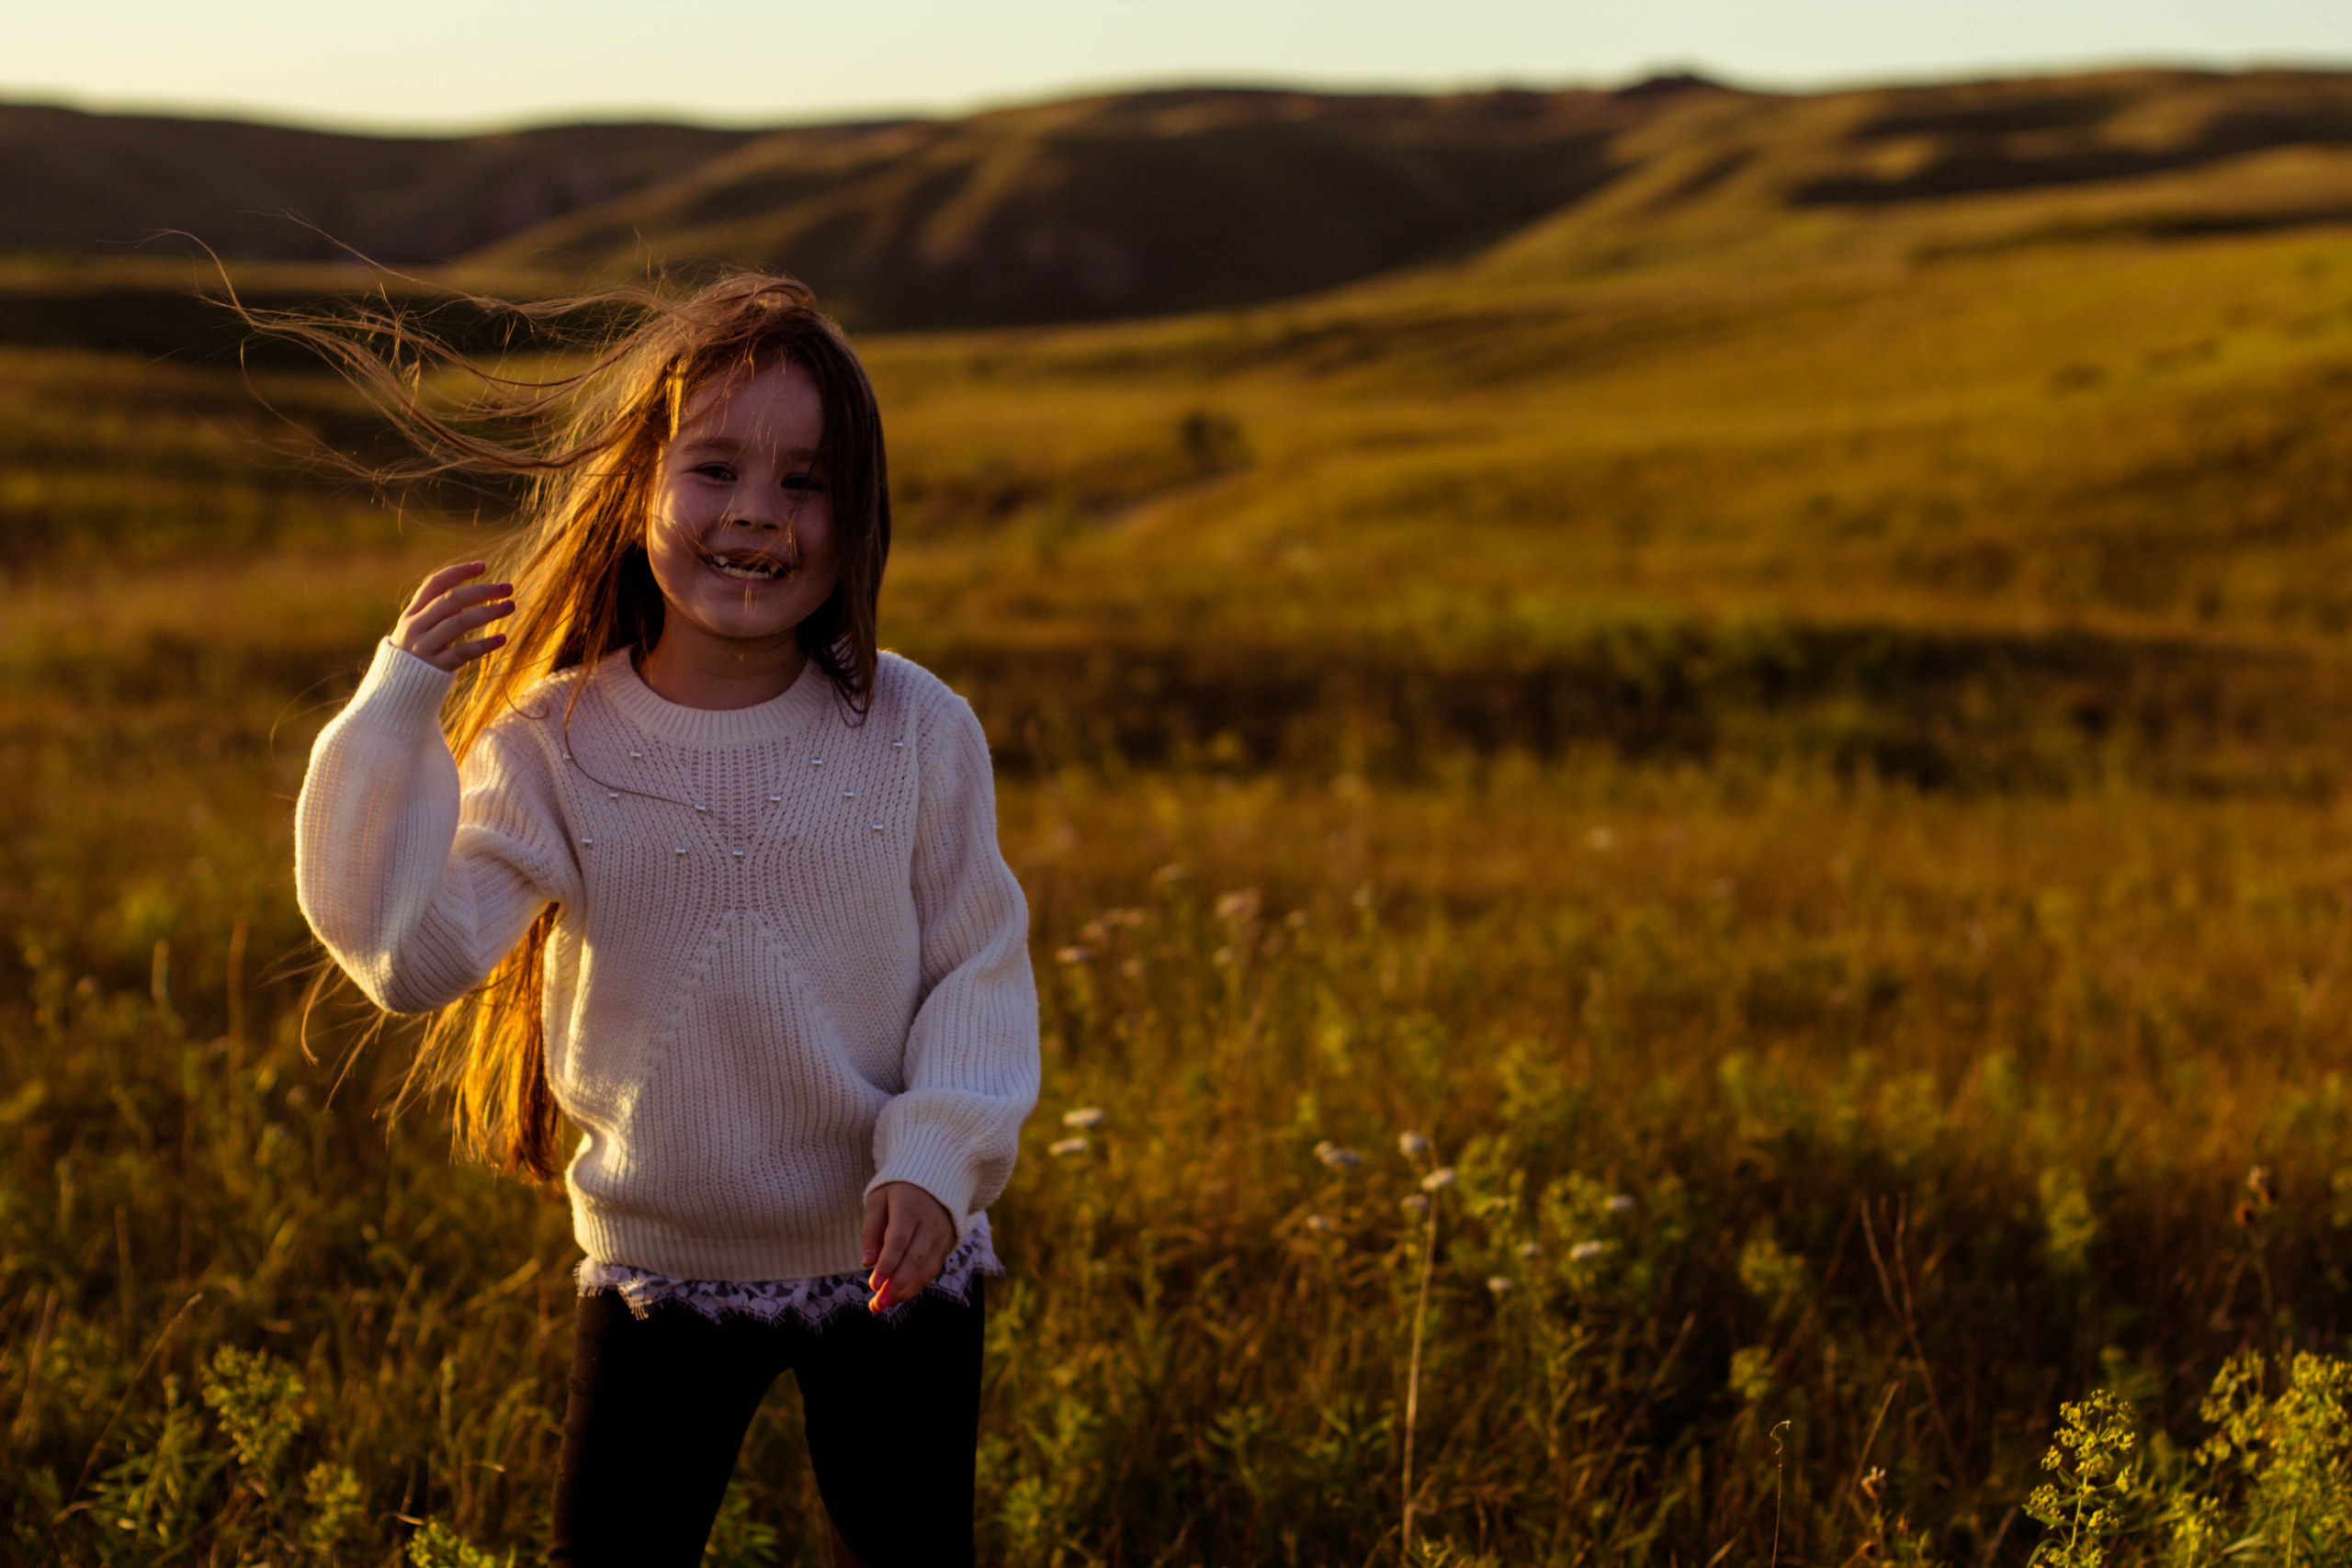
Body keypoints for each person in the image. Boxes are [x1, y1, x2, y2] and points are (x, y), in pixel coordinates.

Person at [289, 273, 1040, 1566]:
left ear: (856, 516)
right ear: (639, 486)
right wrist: (396, 712)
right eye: (716, 469)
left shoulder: (917, 727)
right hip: (659, 1277)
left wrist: (935, 1158)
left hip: (895, 1266)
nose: (758, 512)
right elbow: (409, 962)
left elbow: (975, 964)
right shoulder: (553, 742)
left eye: (806, 483)